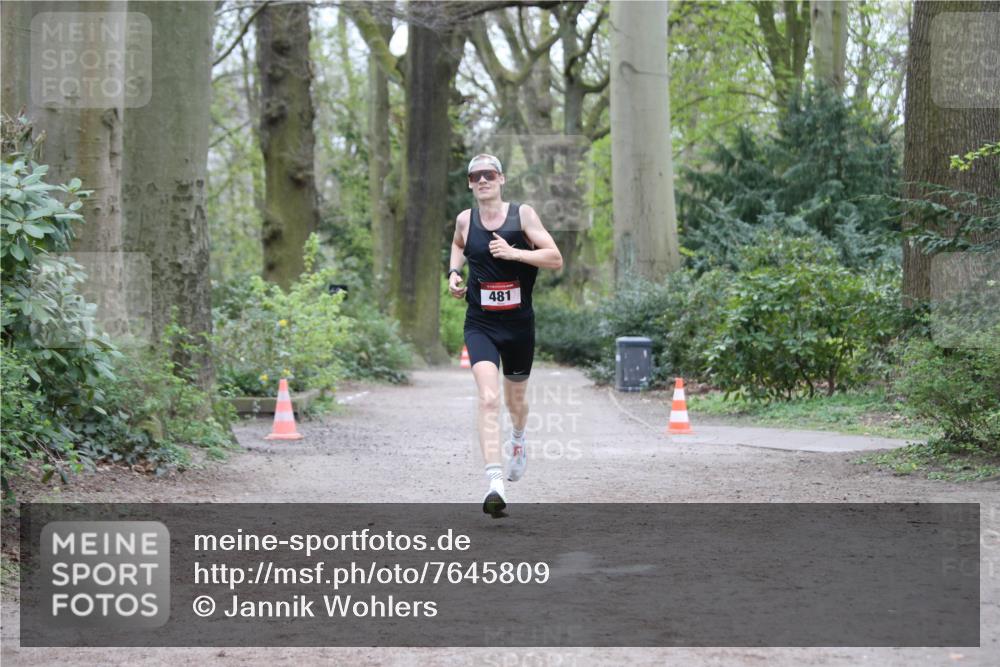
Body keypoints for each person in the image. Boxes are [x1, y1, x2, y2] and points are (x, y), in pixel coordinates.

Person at [448, 154, 563, 517]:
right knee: (487, 397)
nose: (483, 180)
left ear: (501, 179)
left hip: (518, 326)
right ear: (470, 183)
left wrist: (514, 253)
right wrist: (453, 273)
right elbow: (457, 245)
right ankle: (495, 482)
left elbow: (554, 258)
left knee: (515, 401)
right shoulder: (465, 220)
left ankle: (517, 438)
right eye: (476, 176)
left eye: (489, 174)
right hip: (480, 323)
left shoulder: (522, 215)